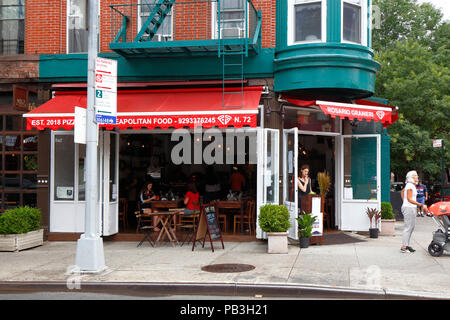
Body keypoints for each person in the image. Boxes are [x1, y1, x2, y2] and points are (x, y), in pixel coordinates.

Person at [400, 170, 427, 253]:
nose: (417, 177)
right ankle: (404, 247)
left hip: (410, 207)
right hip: (409, 208)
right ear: (411, 177)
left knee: (411, 227)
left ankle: (406, 245)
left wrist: (404, 201)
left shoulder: (411, 185)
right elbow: (409, 199)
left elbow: (402, 192)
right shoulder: (410, 186)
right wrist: (421, 205)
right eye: (415, 175)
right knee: (408, 228)